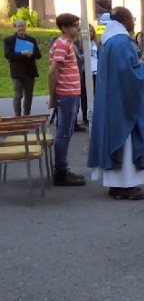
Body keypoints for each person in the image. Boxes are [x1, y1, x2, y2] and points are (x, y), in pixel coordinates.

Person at [88, 7, 144, 200]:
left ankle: (116, 185)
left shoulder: (108, 41)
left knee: (116, 138)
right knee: (126, 141)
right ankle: (125, 185)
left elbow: (123, 69)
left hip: (111, 98)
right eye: (131, 18)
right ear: (122, 19)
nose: (133, 22)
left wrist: (140, 66)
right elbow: (129, 74)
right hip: (122, 102)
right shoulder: (121, 42)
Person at [47, 13, 87, 187]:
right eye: (74, 25)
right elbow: (52, 72)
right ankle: (60, 172)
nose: (78, 28)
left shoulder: (67, 44)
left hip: (71, 94)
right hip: (66, 95)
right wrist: (52, 97)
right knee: (63, 134)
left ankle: (63, 168)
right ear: (64, 28)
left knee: (67, 132)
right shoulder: (62, 44)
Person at [4, 18, 41, 116]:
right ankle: (17, 116)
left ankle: (27, 115)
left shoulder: (31, 40)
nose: (21, 28)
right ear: (15, 27)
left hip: (30, 71)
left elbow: (38, 55)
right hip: (17, 72)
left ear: (26, 26)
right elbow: (8, 55)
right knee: (18, 95)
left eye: (23, 25)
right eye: (19, 26)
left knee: (29, 96)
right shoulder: (9, 40)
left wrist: (32, 54)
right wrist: (22, 53)